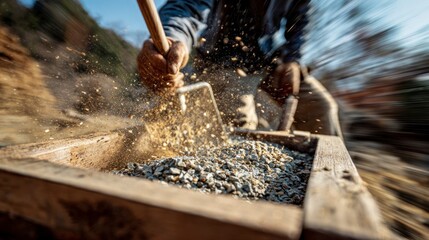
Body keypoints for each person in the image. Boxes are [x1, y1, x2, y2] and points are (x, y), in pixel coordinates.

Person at [137, 0, 341, 136]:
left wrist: (293, 60)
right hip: (222, 60)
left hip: (267, 61)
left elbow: (300, 22)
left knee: (321, 107)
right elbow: (187, 5)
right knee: (240, 126)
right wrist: (172, 36)